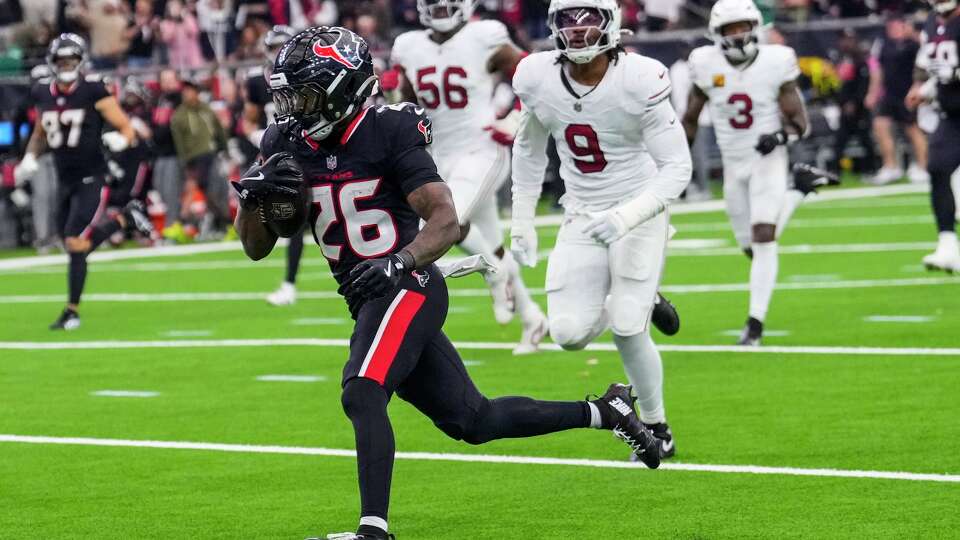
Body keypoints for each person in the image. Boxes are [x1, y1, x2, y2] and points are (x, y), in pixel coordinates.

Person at [234, 26, 661, 540]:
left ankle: (373, 530)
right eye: (287, 94)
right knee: (473, 421)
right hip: (364, 296)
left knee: (362, 392)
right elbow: (257, 246)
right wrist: (253, 200)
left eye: (302, 93)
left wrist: (401, 260)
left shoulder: (387, 129)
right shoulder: (283, 140)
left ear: (342, 89)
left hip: (406, 283)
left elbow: (445, 219)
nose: (292, 107)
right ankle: (605, 411)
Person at [510, 0, 691, 462]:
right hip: (581, 210)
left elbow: (677, 168)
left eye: (588, 18)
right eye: (568, 19)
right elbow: (528, 151)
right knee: (567, 334)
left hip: (639, 206)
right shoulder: (537, 76)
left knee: (628, 327)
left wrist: (627, 216)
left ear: (611, 24)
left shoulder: (639, 78)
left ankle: (657, 425)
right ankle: (646, 296)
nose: (578, 29)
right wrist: (522, 220)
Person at [389, 0, 548, 354]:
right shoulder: (410, 45)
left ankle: (494, 273)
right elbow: (409, 104)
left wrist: (515, 116)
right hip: (438, 156)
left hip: (481, 149)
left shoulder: (483, 36)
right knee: (490, 242)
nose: (441, 7)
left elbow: (532, 75)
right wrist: (391, 94)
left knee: (448, 220)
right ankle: (532, 316)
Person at [682, 0, 812, 346]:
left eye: (743, 26)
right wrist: (675, 163)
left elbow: (801, 124)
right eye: (730, 28)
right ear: (717, 33)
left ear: (755, 27)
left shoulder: (776, 61)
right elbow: (690, 119)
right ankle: (799, 191)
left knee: (764, 236)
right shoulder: (704, 63)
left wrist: (780, 137)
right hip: (732, 163)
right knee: (750, 246)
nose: (738, 34)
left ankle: (754, 325)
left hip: (767, 160)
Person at [14, 34, 154, 330]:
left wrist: (121, 139)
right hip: (65, 177)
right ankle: (124, 220)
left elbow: (126, 127)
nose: (66, 65)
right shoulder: (43, 93)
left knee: (76, 241)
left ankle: (72, 311)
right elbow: (41, 132)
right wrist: (30, 157)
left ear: (80, 62)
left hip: (92, 176)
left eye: (71, 60)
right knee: (73, 246)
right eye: (61, 60)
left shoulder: (92, 90)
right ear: (53, 63)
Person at [239, 24, 303, 306]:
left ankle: (289, 284)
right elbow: (248, 119)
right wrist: (256, 136)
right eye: (274, 47)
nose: (279, 53)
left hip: (302, 149)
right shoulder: (256, 81)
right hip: (272, 151)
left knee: (299, 216)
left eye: (283, 46)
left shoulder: (304, 75)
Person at [906, 0, 960, 272]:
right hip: (952, 113)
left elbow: (950, 70)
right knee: (938, 167)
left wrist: (955, 73)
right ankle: (948, 244)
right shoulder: (935, 22)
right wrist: (925, 90)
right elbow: (938, 69)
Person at [868, 16, 928, 185]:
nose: (893, 29)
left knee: (913, 130)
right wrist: (873, 92)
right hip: (889, 94)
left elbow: (926, 58)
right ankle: (890, 166)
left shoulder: (914, 44)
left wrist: (913, 34)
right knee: (880, 125)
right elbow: (877, 70)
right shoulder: (884, 45)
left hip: (909, 93)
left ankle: (923, 167)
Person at [170, 77, 231, 238]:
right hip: (193, 157)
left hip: (209, 154)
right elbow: (178, 141)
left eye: (189, 90)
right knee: (202, 190)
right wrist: (184, 160)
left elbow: (219, 131)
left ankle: (182, 223)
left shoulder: (206, 110)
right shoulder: (179, 115)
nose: (187, 94)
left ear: (196, 92)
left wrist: (225, 151)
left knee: (206, 189)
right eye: (185, 91)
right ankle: (224, 222)